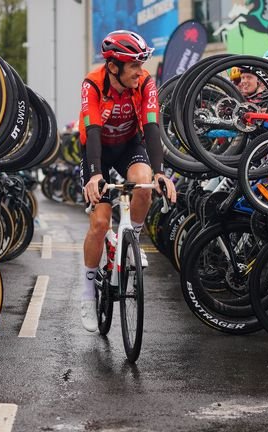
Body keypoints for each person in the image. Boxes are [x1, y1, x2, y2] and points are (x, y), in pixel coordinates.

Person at [78, 30, 176, 332]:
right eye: (133, 65)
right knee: (100, 222)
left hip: (129, 147)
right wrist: (95, 174)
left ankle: (129, 239)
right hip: (98, 152)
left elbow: (151, 127)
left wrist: (160, 172)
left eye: (140, 64)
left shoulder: (145, 83)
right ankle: (87, 291)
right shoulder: (92, 84)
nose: (139, 70)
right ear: (113, 67)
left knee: (144, 184)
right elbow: (92, 131)